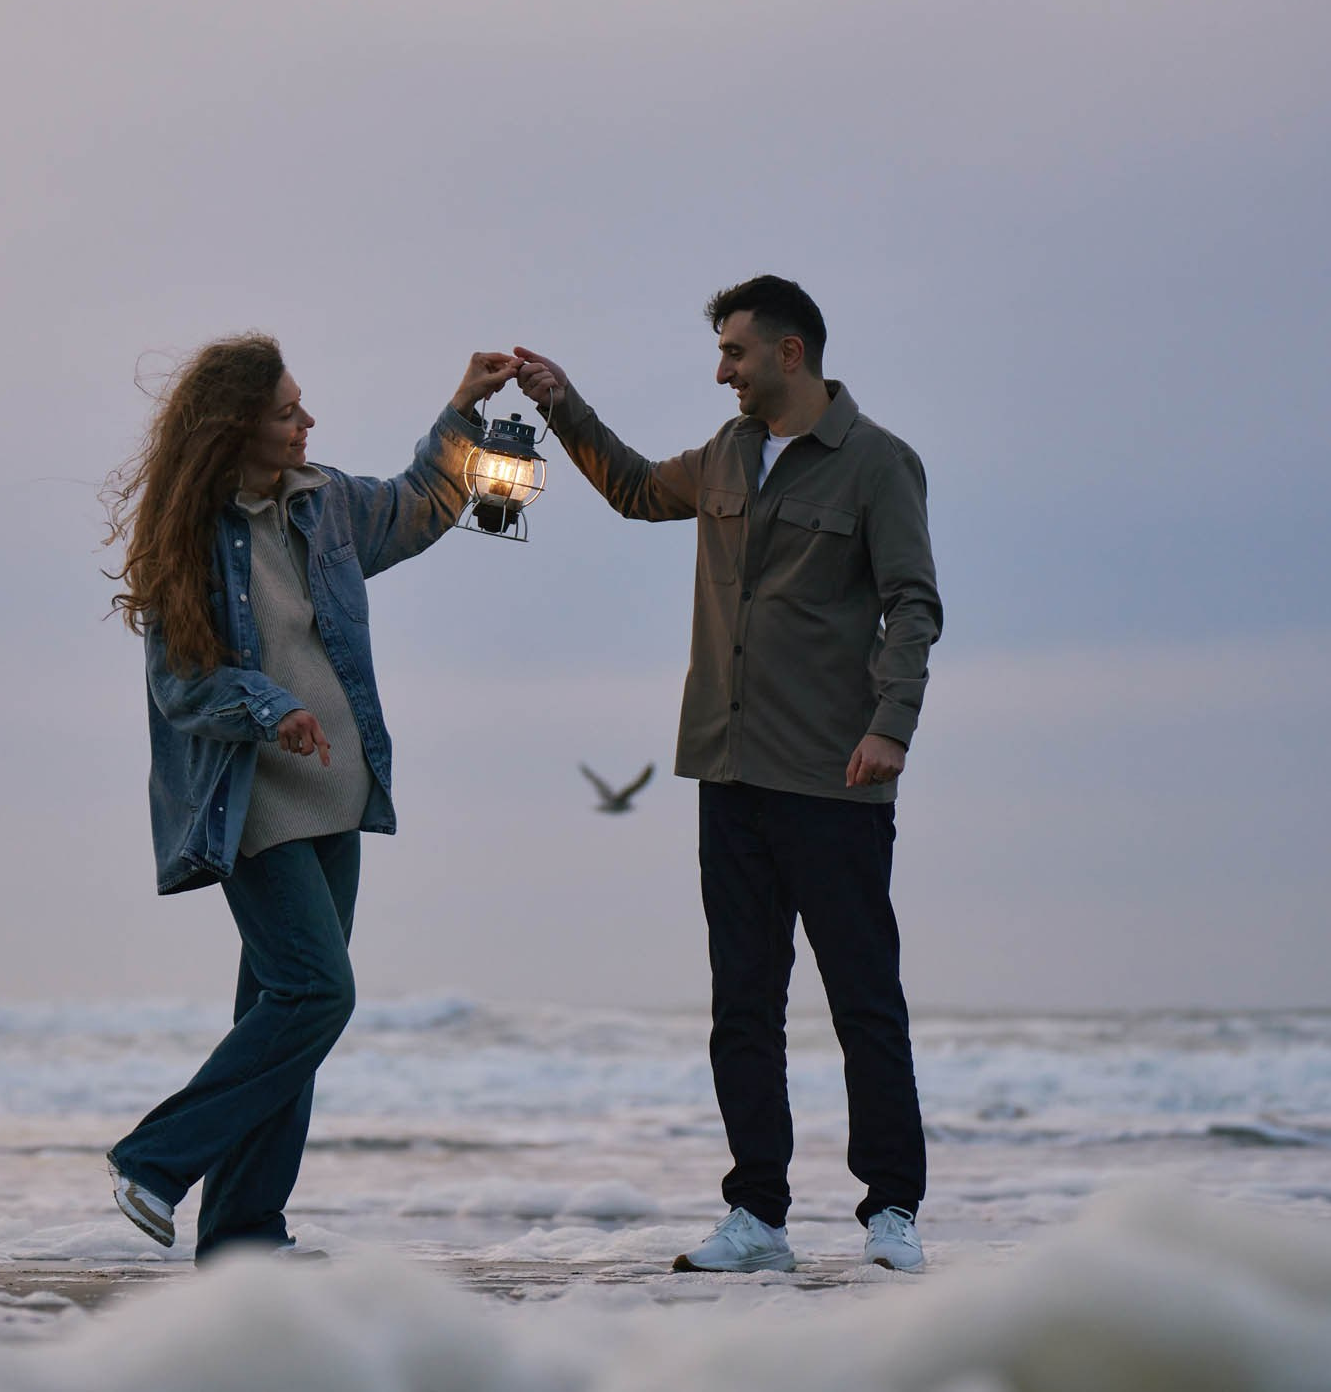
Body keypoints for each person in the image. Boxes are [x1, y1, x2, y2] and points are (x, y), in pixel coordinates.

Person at [512, 276, 941, 1273]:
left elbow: (912, 605)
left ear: (790, 354)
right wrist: (559, 403)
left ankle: (892, 1212)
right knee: (741, 1004)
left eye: (734, 354)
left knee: (861, 999)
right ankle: (757, 1218)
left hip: (837, 777)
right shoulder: (723, 458)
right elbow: (625, 487)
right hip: (728, 772)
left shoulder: (878, 465)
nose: (721, 372)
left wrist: (893, 726)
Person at [101, 334, 519, 1260]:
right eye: (289, 411)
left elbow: (418, 505)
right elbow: (183, 687)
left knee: (282, 1022)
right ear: (238, 427)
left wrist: (462, 408)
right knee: (318, 995)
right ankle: (154, 1160)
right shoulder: (186, 537)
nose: (308, 422)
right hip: (253, 802)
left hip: (338, 794)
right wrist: (271, 704)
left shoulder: (324, 505)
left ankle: (245, 1239)